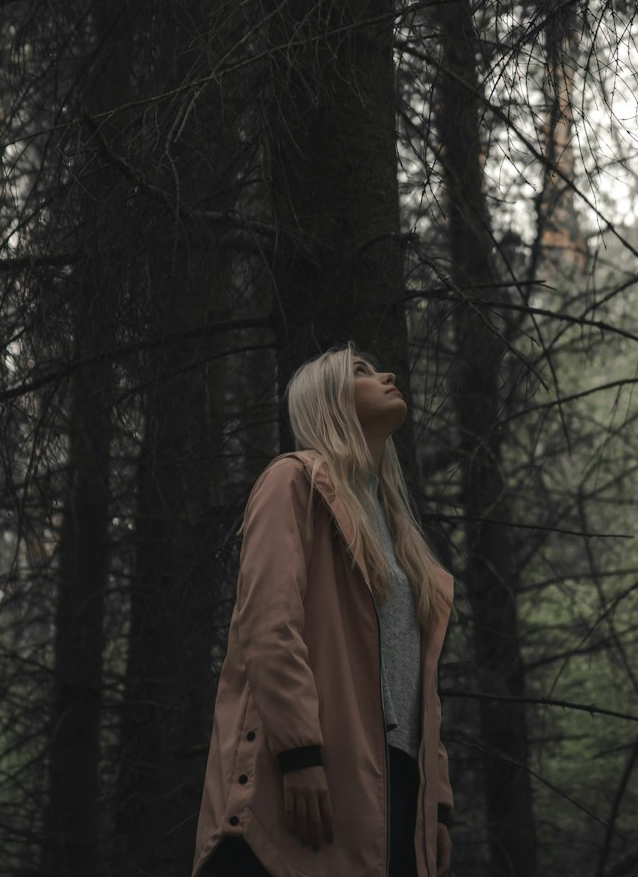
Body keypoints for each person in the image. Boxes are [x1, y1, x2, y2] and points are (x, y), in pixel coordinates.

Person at [192, 343, 455, 877]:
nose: (387, 375)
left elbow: (421, 685)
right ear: (328, 400)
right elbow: (270, 625)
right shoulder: (293, 482)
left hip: (394, 792)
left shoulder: (400, 536)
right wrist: (299, 753)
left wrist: (437, 807)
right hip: (304, 786)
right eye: (361, 371)